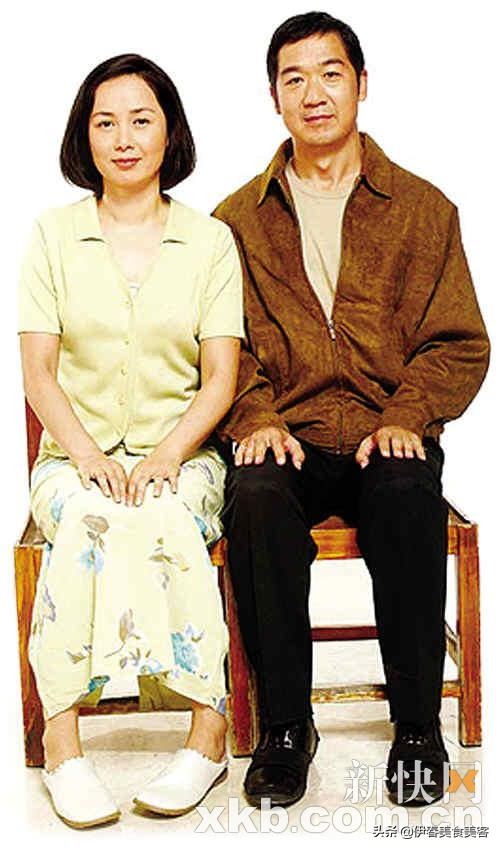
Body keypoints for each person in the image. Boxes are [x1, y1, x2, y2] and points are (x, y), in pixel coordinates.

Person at [213, 12, 490, 809]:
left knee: (406, 491)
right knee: (255, 497)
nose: (314, 93)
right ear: (273, 97)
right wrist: (256, 417)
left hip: (385, 430)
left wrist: (408, 413)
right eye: (294, 78)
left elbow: (459, 340)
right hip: (289, 435)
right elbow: (221, 347)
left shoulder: (424, 210)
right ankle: (285, 729)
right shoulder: (235, 221)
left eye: (330, 73)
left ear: (362, 85)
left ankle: (417, 727)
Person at [18, 53, 243, 828]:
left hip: (182, 453)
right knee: (87, 518)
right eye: (105, 122)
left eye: (141, 119)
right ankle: (62, 744)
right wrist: (85, 455)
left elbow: (220, 378)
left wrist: (167, 454)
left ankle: (207, 734)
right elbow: (38, 373)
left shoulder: (210, 242)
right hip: (70, 457)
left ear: (169, 132)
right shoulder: (53, 236)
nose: (123, 138)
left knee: (168, 514)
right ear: (84, 136)